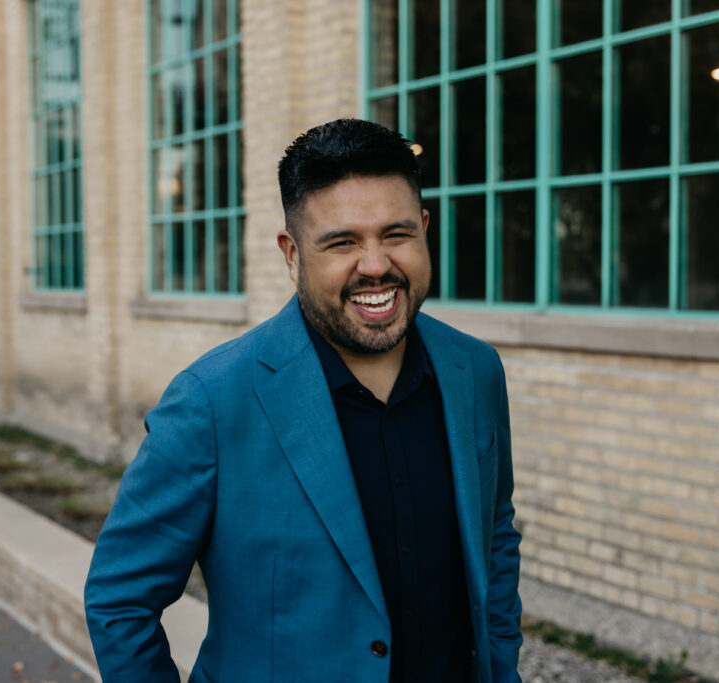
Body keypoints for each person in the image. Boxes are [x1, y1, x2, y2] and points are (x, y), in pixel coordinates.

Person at [84, 118, 522, 682]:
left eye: (396, 234)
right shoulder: (211, 401)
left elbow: (495, 533)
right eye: (342, 242)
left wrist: (501, 661)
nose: (375, 265)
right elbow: (120, 600)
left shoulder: (475, 371)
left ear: (425, 229)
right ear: (291, 254)